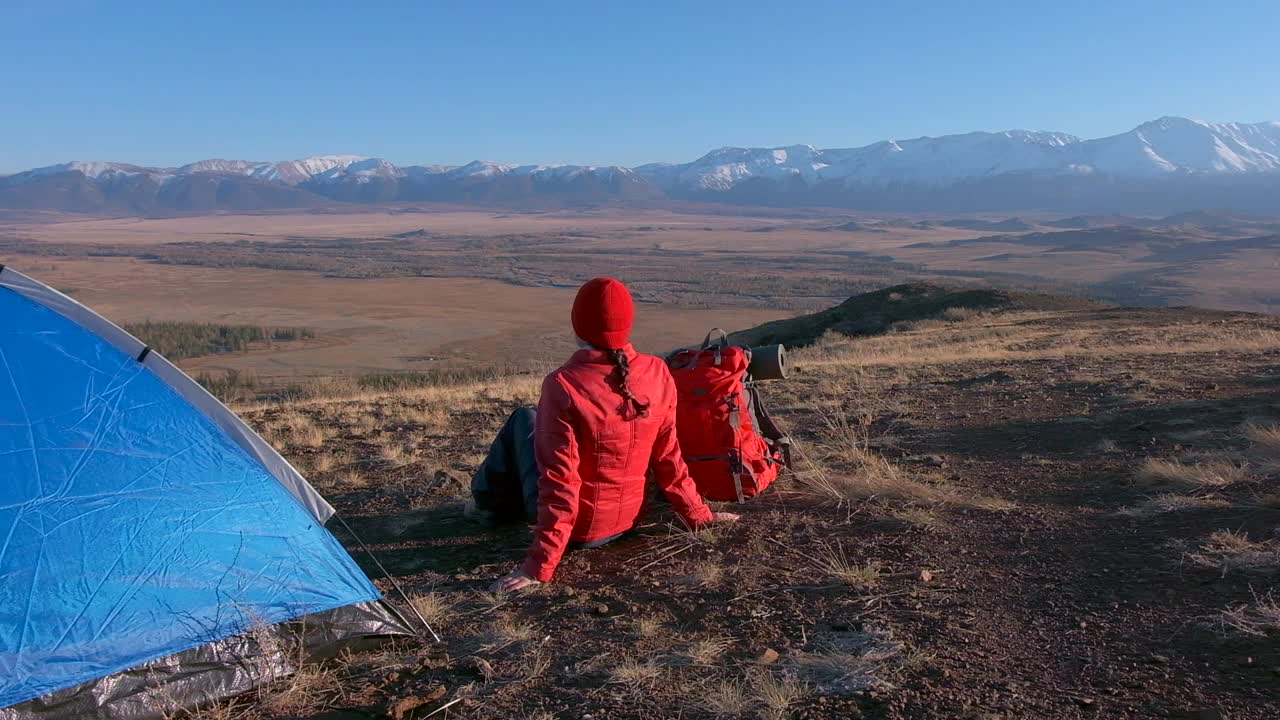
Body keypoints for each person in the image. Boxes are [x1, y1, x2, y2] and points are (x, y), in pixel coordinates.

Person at [472, 277, 738, 592]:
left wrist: (538, 567)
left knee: (522, 420)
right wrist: (699, 516)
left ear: (578, 325)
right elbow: (669, 458)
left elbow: (561, 483)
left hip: (580, 532)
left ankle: (485, 506)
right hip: (628, 521)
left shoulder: (563, 385)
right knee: (530, 421)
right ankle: (488, 505)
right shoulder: (657, 372)